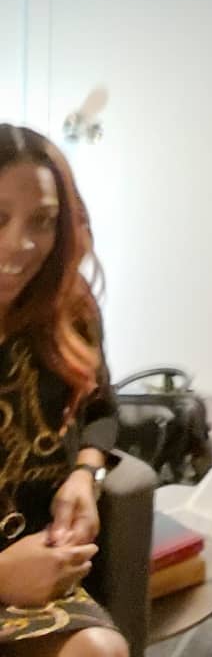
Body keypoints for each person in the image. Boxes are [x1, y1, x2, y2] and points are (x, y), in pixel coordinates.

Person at [0, 125, 126, 656]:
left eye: (43, 221)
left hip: (38, 569)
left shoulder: (67, 311)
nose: (20, 244)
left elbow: (102, 408)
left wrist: (84, 474)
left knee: (100, 650)